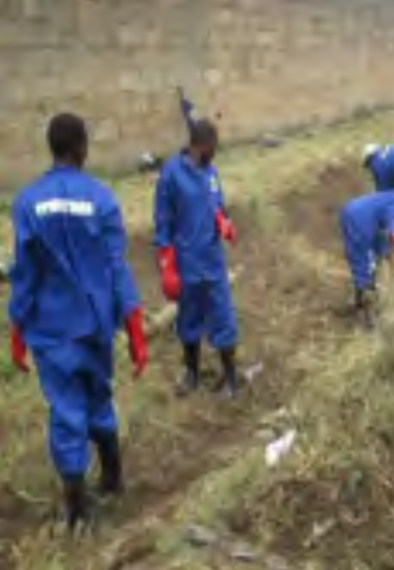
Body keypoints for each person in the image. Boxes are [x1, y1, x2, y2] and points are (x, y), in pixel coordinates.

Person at [8, 113, 148, 531]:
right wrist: (136, 331)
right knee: (99, 397)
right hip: (96, 326)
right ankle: (112, 479)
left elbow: (25, 274)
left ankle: (78, 507)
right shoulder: (102, 198)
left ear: (52, 148)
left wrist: (17, 331)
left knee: (66, 410)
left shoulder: (27, 202)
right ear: (83, 148)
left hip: (51, 331)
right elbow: (116, 267)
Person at [154, 119, 239, 398]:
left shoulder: (211, 172)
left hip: (213, 260)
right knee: (188, 319)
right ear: (199, 146)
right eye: (212, 148)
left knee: (222, 316)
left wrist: (224, 221)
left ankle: (230, 377)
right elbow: (162, 222)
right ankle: (191, 372)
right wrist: (166, 264)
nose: (215, 153)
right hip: (186, 262)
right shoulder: (171, 174)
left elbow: (218, 205)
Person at [340, 191, 394, 317]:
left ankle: (365, 296)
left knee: (380, 251)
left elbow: (388, 234)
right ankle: (365, 309)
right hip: (359, 218)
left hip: (359, 211)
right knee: (364, 261)